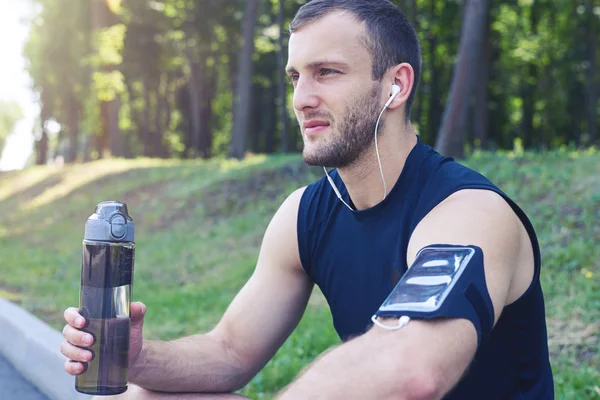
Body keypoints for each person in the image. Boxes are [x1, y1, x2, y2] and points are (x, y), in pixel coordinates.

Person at [61, 1, 554, 398]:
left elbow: (411, 371)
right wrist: (139, 360)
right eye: (296, 77)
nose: (301, 99)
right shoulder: (305, 214)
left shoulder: (469, 211)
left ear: (395, 85)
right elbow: (231, 352)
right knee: (146, 396)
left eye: (327, 72)